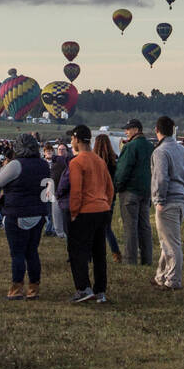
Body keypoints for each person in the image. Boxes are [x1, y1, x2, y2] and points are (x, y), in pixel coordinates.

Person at [0, 133, 51, 300]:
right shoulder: (43, 165)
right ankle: (34, 288)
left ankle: (16, 289)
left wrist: (5, 166)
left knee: (17, 253)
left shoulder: (16, 165)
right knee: (32, 252)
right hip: (38, 213)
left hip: (17, 213)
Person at [66, 124, 115, 303]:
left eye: (72, 139)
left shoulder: (76, 162)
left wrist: (74, 212)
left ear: (77, 140)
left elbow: (76, 190)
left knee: (77, 251)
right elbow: (110, 188)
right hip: (102, 210)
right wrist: (105, 205)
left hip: (85, 211)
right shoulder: (100, 161)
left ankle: (83, 287)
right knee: (99, 252)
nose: (71, 142)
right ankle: (100, 290)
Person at [150, 116, 184, 290]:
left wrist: (159, 199)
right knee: (167, 240)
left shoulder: (160, 151)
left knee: (171, 244)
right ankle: (161, 275)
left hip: (168, 200)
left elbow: (161, 178)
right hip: (181, 198)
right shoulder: (182, 150)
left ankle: (173, 280)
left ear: (156, 130)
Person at [115, 118, 154, 265]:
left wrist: (117, 186)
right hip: (146, 191)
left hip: (130, 191)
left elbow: (123, 170)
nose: (126, 131)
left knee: (130, 227)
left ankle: (130, 260)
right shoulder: (151, 146)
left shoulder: (130, 147)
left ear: (136, 129)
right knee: (145, 226)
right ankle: (147, 259)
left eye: (128, 128)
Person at [93, 133, 123, 262]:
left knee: (93, 227)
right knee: (107, 227)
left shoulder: (94, 161)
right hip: (110, 196)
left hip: (96, 196)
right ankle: (115, 252)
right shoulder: (114, 160)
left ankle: (92, 254)